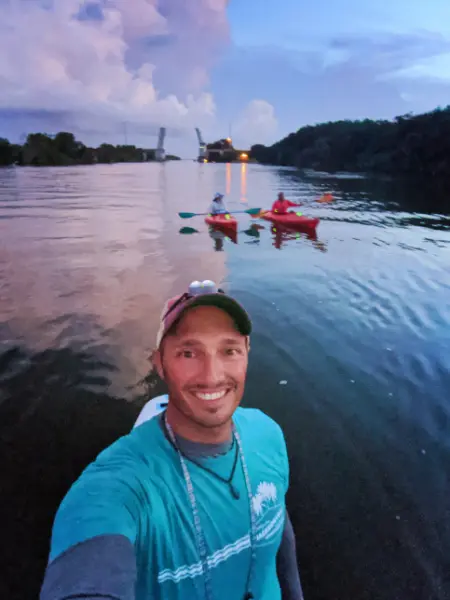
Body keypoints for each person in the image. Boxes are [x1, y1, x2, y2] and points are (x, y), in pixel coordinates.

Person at [40, 279, 304, 600]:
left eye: (229, 350)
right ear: (159, 365)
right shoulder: (121, 486)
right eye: (188, 352)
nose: (212, 375)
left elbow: (277, 519)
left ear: (247, 353)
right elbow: (89, 567)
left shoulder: (268, 434)